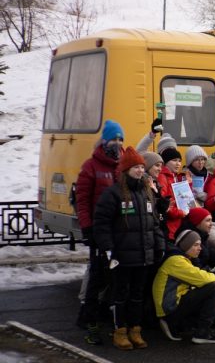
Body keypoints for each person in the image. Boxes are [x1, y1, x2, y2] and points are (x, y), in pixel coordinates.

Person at [92, 147, 165, 350]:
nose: (141, 171)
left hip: (144, 255)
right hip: (122, 257)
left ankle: (135, 329)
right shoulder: (113, 194)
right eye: (136, 167)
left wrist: (159, 246)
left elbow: (154, 224)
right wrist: (108, 250)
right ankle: (120, 331)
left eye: (142, 167)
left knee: (137, 294)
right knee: (120, 294)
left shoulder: (146, 192)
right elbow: (102, 225)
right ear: (126, 170)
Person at [76, 119, 124, 344]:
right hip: (98, 229)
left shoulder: (121, 164)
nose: (117, 143)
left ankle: (104, 311)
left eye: (120, 139)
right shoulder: (90, 166)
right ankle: (88, 317)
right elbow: (82, 200)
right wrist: (87, 226)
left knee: (113, 274)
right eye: (114, 139)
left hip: (118, 231)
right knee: (97, 274)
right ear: (104, 141)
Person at [152, 229, 215, 345]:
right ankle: (201, 333)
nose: (200, 248)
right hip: (169, 309)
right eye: (196, 245)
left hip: (172, 305)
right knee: (214, 287)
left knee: (214, 299)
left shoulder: (184, 259)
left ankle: (182, 326)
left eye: (200, 245)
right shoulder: (176, 261)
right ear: (186, 245)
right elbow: (206, 279)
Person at [156, 147, 187, 240]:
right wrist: (181, 213)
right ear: (166, 162)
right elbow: (164, 204)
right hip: (170, 227)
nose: (178, 164)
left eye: (179, 161)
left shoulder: (174, 177)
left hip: (176, 226)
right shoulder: (163, 177)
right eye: (174, 160)